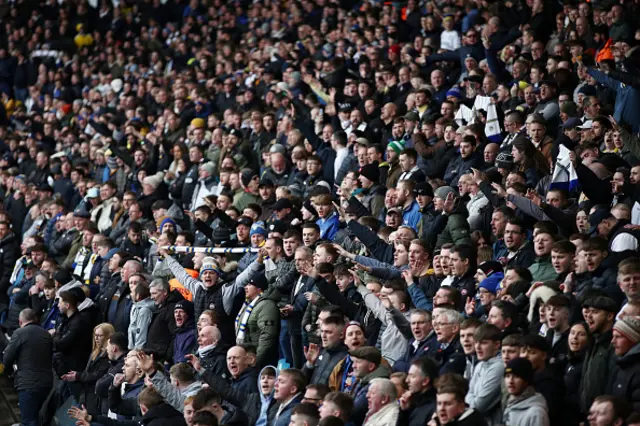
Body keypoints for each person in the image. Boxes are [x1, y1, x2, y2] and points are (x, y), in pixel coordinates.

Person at [2, 308, 54, 426]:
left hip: (28, 384)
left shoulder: (19, 333)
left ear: (20, 322)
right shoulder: (45, 334)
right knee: (41, 419)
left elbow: (7, 358)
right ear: (35, 319)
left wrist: (8, 371)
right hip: (47, 383)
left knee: (29, 421)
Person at [502, 358, 550, 426]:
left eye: (516, 376)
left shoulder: (536, 414)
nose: (510, 381)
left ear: (526, 381)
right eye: (507, 376)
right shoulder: (509, 403)